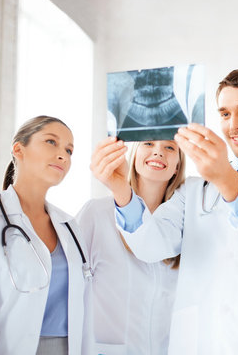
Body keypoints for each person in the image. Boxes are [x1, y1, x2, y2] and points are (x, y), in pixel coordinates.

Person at [94, 68, 238, 354]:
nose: (234, 125)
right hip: (200, 343)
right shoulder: (195, 190)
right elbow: (150, 246)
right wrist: (121, 190)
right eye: (225, 114)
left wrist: (226, 179)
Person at [0, 116, 93, 355]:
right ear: (19, 149)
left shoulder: (69, 225)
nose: (63, 155)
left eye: (69, 150)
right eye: (51, 142)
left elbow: (85, 308)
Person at [77, 139, 185, 354]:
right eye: (148, 144)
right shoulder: (96, 214)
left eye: (170, 147)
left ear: (177, 168)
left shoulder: (185, 223)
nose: (158, 152)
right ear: (133, 155)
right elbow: (69, 286)